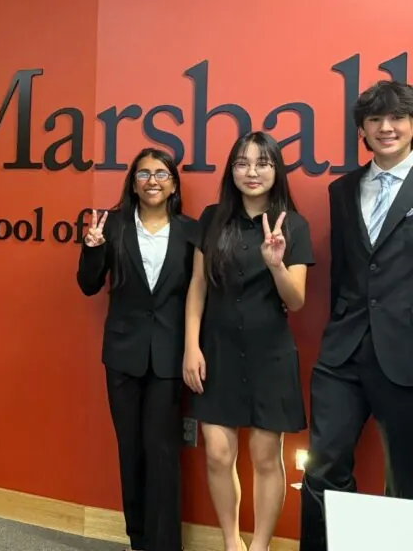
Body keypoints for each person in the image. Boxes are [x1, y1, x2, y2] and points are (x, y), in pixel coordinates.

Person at [183, 131, 314, 551]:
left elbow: (296, 301)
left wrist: (275, 265)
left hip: (269, 355)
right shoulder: (211, 218)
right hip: (217, 351)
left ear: (276, 170)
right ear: (231, 170)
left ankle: (259, 545)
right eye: (242, 162)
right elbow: (198, 287)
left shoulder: (293, 224)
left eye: (262, 162)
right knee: (218, 454)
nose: (252, 171)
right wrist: (191, 345)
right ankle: (230, 542)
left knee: (264, 457)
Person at [300, 80, 413, 550]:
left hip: (406, 353)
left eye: (398, 118)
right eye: (375, 120)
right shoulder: (342, 190)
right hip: (342, 353)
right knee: (322, 468)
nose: (386, 127)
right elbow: (347, 271)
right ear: (361, 130)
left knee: (405, 480)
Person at [77, 147, 198, 551]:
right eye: (144, 173)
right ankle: (139, 541)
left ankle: (165, 545)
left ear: (174, 184)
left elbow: (202, 293)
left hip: (168, 357)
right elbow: (89, 285)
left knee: (162, 453)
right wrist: (93, 249)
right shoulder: (112, 228)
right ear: (133, 182)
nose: (152, 180)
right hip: (123, 356)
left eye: (161, 173)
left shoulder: (190, 231)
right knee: (130, 451)